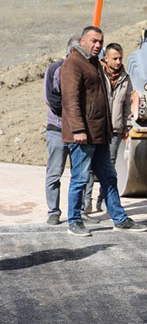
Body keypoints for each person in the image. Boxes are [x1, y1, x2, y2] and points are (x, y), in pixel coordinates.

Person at [61, 26, 146, 236]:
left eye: (100, 41)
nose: (97, 45)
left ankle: (119, 218)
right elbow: (71, 100)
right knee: (80, 178)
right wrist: (78, 129)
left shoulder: (94, 64)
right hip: (82, 134)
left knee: (109, 176)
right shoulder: (73, 63)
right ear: (82, 41)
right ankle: (74, 220)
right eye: (93, 41)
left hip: (99, 134)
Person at [44, 36, 87, 225]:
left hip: (79, 130)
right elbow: (52, 101)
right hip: (58, 129)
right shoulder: (55, 69)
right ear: (71, 52)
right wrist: (74, 112)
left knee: (82, 173)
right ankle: (53, 211)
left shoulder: (86, 70)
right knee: (54, 173)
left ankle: (80, 211)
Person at [86, 43, 133, 213]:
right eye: (115, 58)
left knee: (109, 167)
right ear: (106, 58)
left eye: (120, 58)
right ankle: (87, 202)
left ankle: (104, 200)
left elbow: (127, 103)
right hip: (97, 128)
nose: (119, 61)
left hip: (115, 129)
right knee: (90, 166)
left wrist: (127, 124)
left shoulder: (125, 78)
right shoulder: (98, 74)